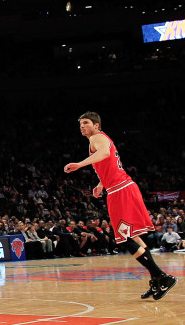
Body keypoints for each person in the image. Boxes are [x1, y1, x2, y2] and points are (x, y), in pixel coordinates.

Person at [64, 111, 177, 300]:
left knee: (124, 239)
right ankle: (157, 278)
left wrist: (79, 164)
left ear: (96, 125)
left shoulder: (97, 138)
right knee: (133, 237)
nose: (82, 126)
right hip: (119, 188)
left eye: (86, 123)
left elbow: (105, 153)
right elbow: (109, 163)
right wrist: (101, 184)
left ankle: (161, 276)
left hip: (121, 190)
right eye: (80, 124)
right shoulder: (99, 139)